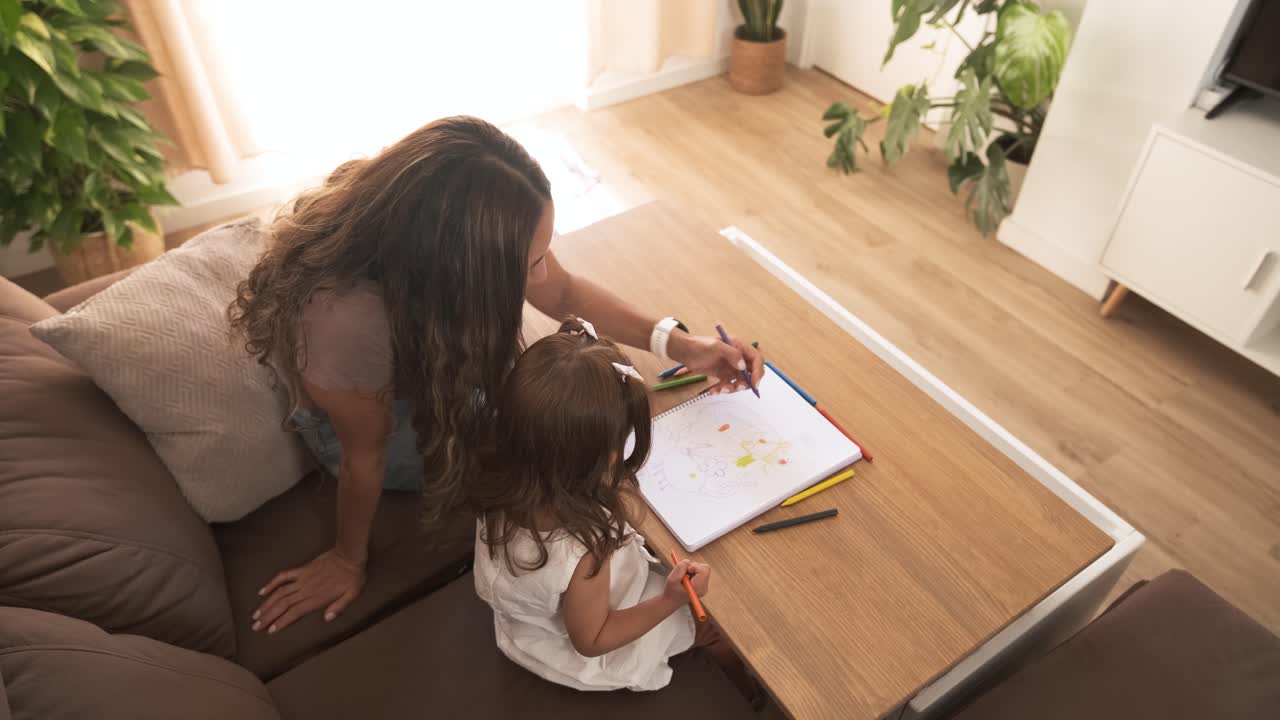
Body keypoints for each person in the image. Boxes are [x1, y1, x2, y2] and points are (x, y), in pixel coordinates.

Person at [228, 116, 764, 635]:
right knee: (562, 435)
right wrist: (348, 559)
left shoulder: (431, 218)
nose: (541, 273)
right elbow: (363, 452)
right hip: (378, 424)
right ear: (460, 268)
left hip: (425, 370)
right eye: (529, 264)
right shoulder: (342, 321)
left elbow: (563, 291)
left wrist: (681, 344)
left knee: (571, 406)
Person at [471, 319, 748, 693]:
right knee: (718, 629)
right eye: (620, 442)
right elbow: (592, 640)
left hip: (525, 626)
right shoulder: (585, 547)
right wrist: (670, 599)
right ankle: (745, 692)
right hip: (579, 649)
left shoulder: (499, 482)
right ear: (585, 463)